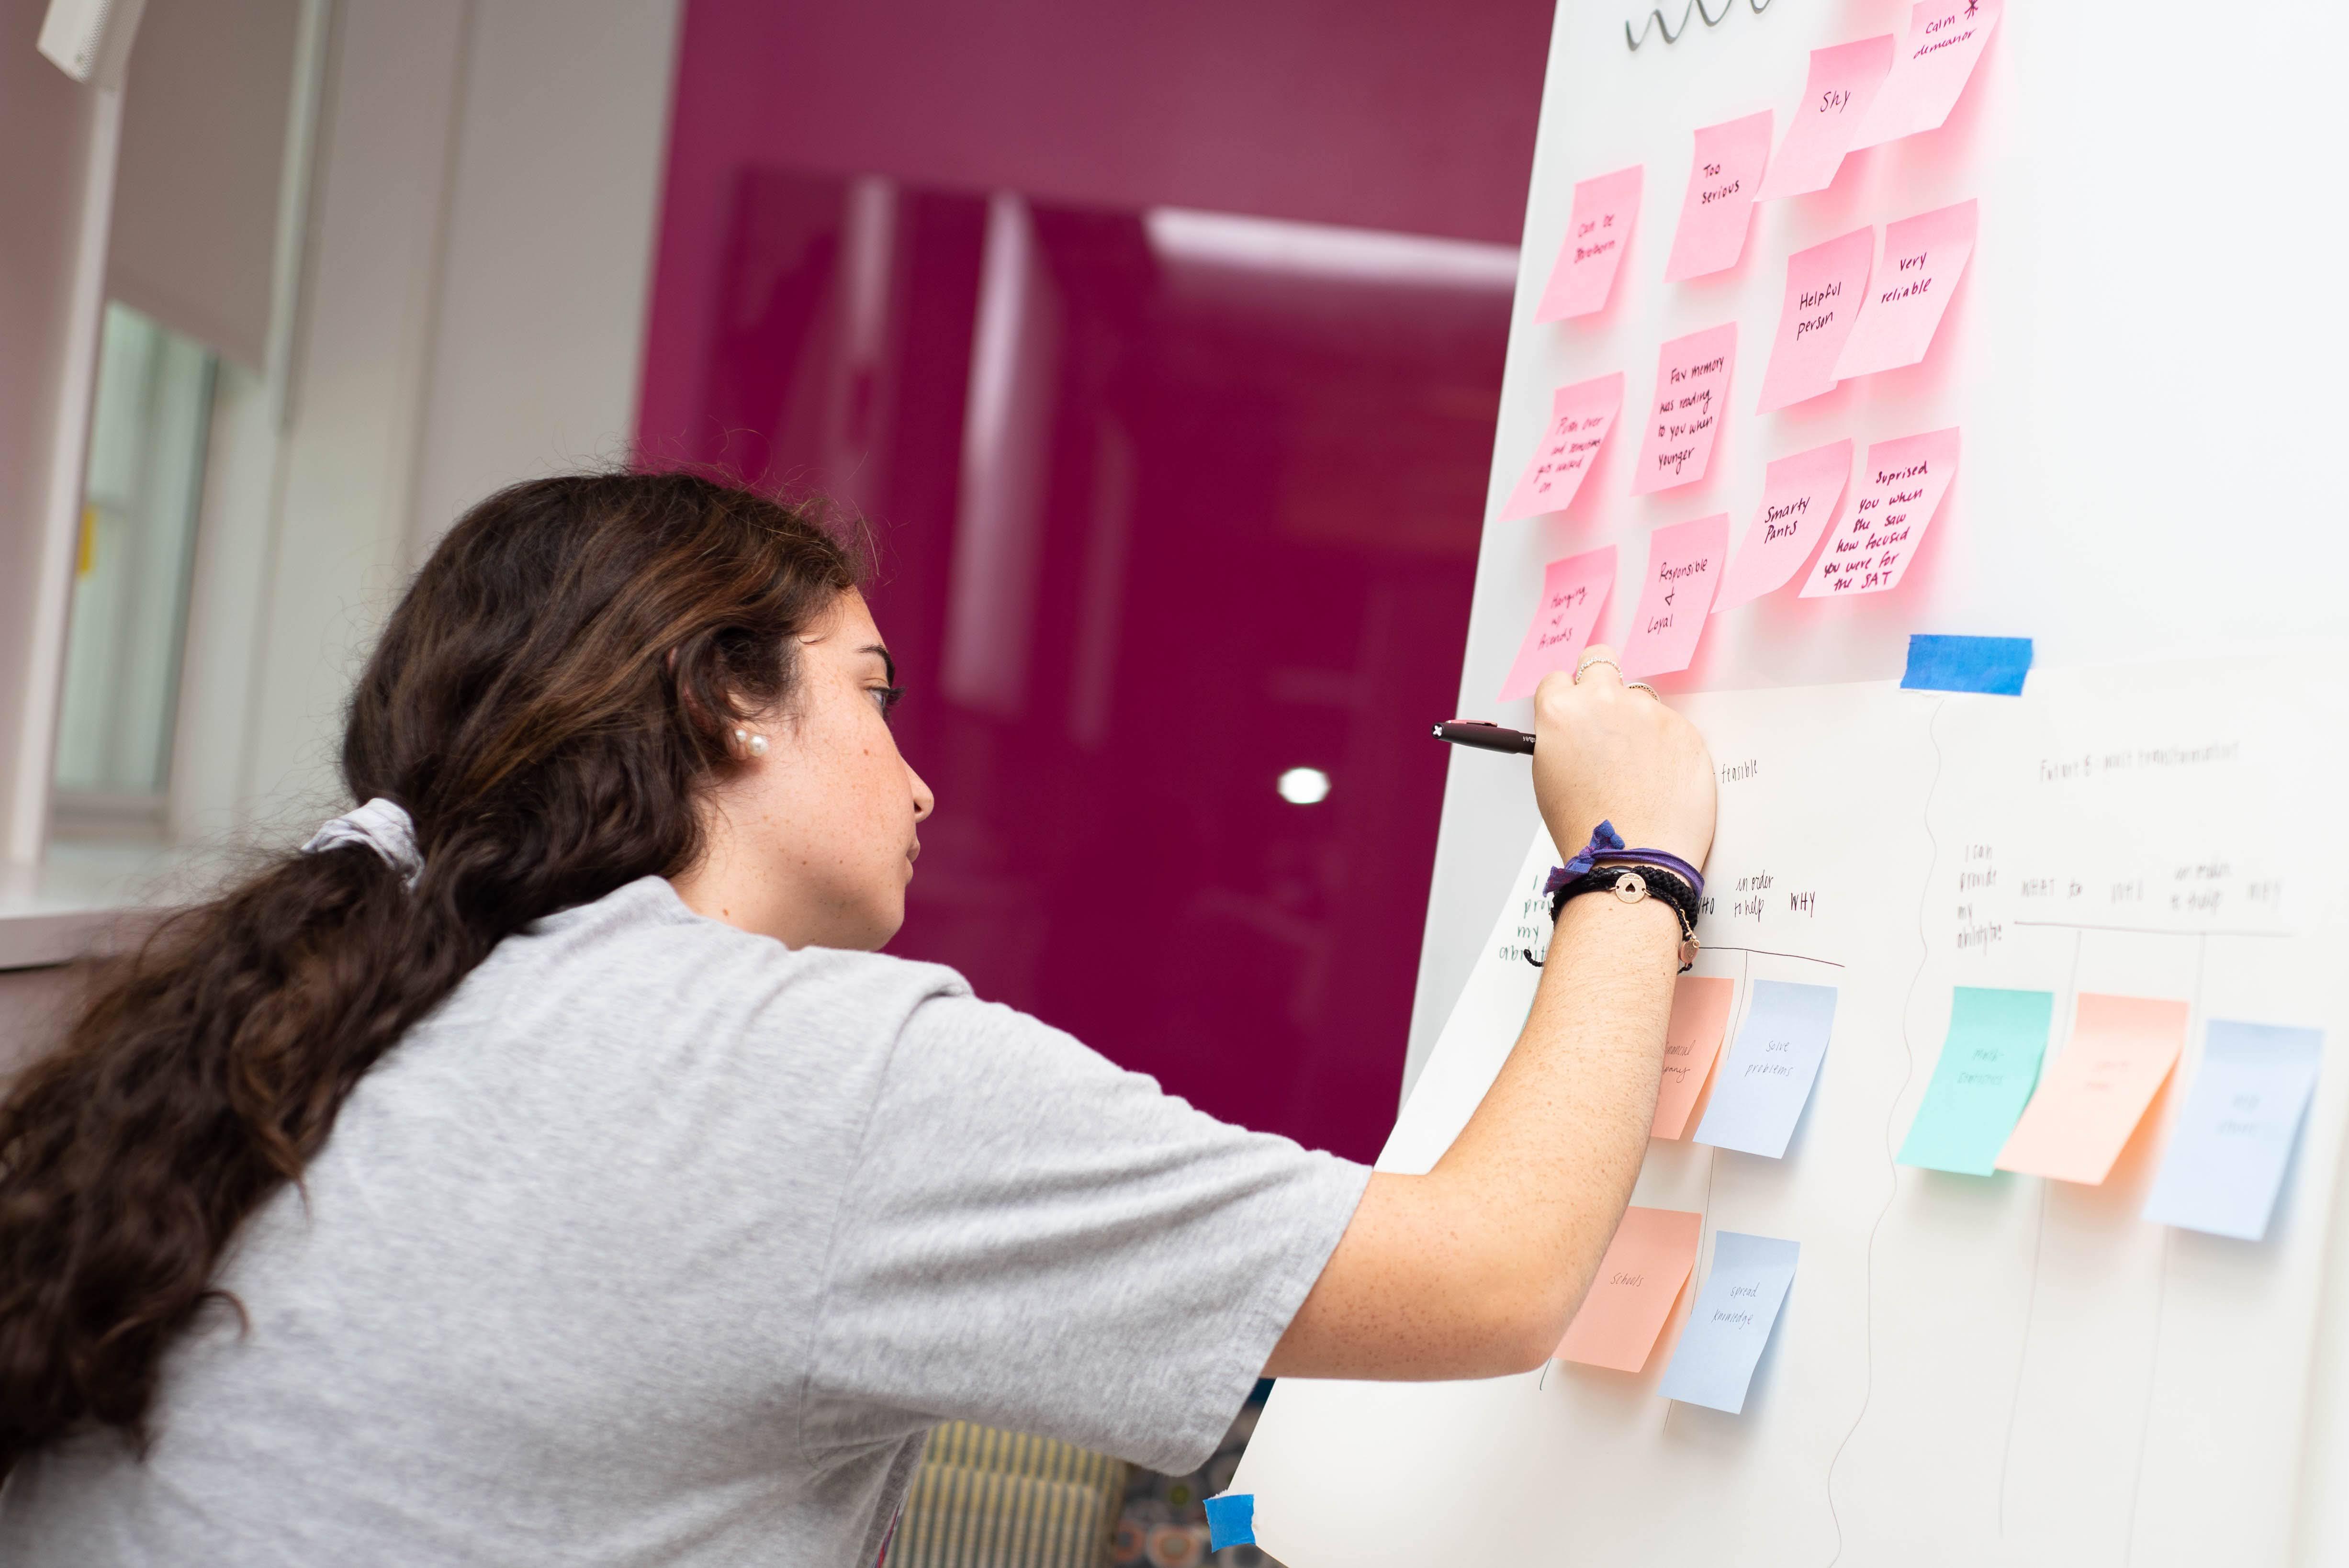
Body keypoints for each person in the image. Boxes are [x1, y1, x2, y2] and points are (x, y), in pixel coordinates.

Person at [0, 472, 1714, 1565]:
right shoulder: (803, 1069)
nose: (919, 777)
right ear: (720, 705)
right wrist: (1629, 859)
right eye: (871, 692)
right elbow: (1492, 1276)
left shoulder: (331, 1008)